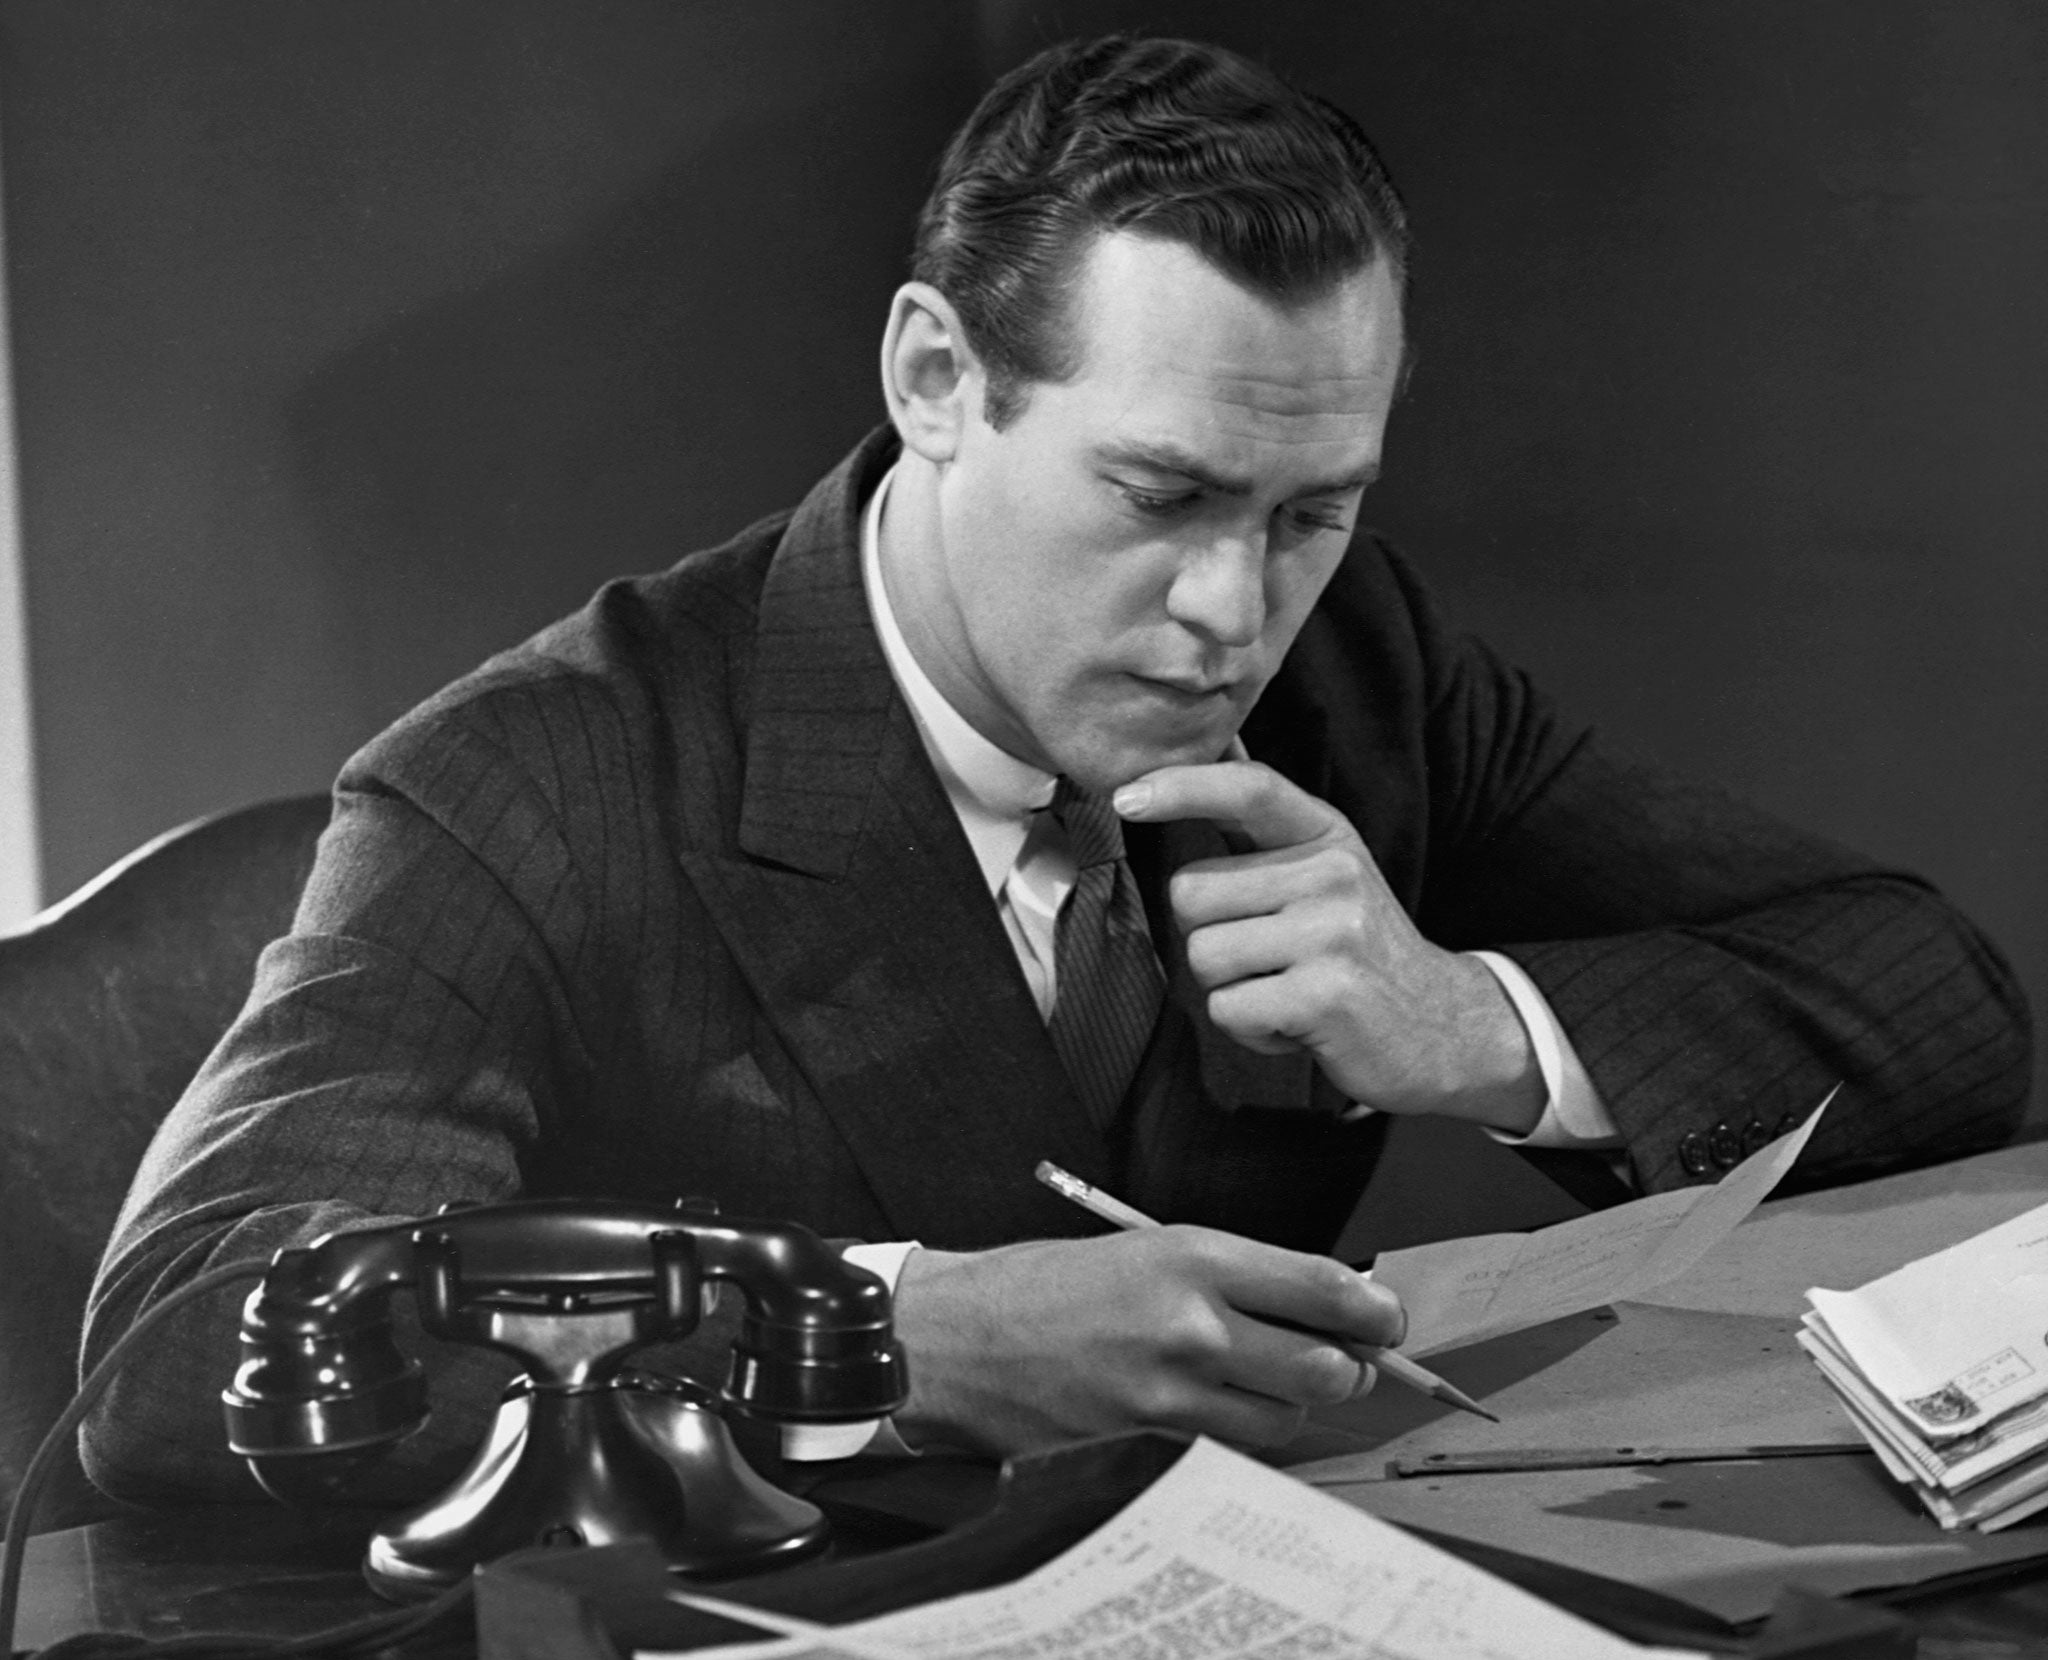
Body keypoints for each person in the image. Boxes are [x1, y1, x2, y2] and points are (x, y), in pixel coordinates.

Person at [82, 35, 2027, 1503]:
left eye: (1310, 511)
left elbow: (1936, 1003)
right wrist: (890, 1330)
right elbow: (191, 1338)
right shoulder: (536, 777)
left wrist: (1471, 1027)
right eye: (1159, 493)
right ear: (935, 379)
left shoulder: (1366, 667)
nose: (1228, 613)